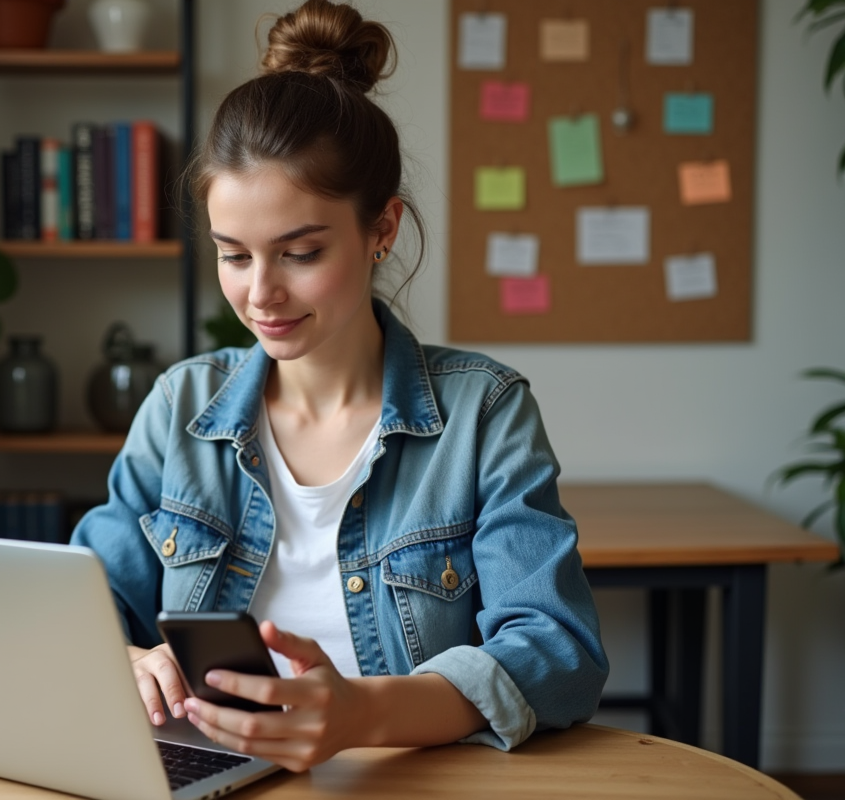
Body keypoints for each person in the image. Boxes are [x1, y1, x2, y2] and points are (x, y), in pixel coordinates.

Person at [71, 0, 608, 773]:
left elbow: (558, 651)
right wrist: (124, 659)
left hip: (406, 781)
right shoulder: (180, 409)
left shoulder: (483, 412)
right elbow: (86, 608)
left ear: (382, 229)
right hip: (204, 775)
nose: (260, 295)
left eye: (300, 252)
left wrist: (361, 713)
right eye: (234, 255)